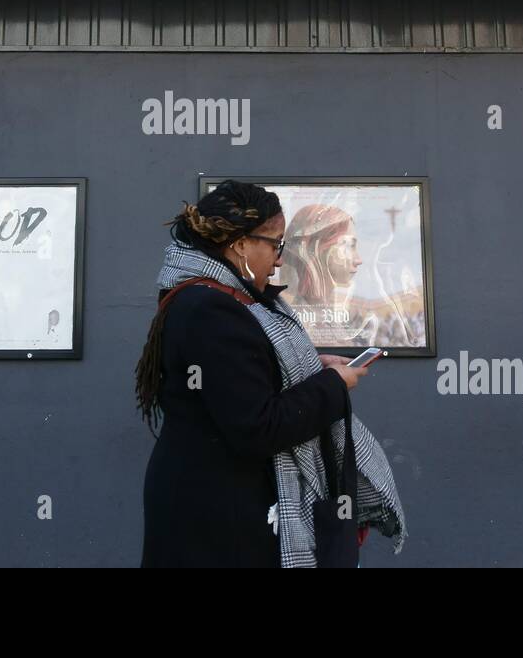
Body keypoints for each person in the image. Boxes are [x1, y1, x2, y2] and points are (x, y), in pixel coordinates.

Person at [137, 179, 405, 567]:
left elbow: (244, 378)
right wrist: (333, 386)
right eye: (276, 244)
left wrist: (315, 367)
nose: (280, 260)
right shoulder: (210, 310)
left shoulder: (222, 303)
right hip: (216, 518)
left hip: (218, 506)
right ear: (241, 244)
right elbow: (258, 425)